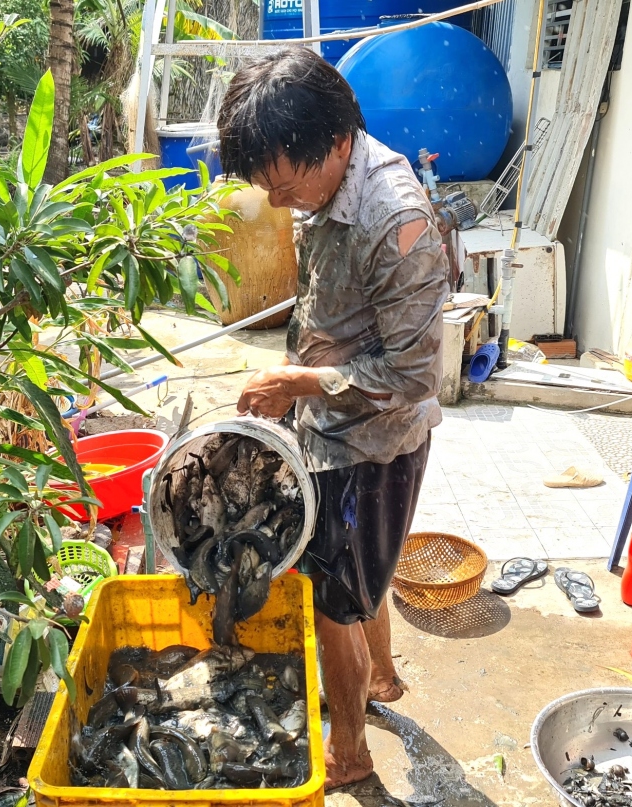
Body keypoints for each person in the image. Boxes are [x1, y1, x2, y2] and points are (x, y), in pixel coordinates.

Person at [216, 47, 449, 788]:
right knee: (361, 572)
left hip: (370, 444)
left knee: (330, 601)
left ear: (338, 143)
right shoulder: (326, 183)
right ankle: (381, 677)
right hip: (331, 427)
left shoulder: (396, 220)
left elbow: (414, 376)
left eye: (285, 188)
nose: (278, 203)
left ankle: (348, 754)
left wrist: (299, 381)